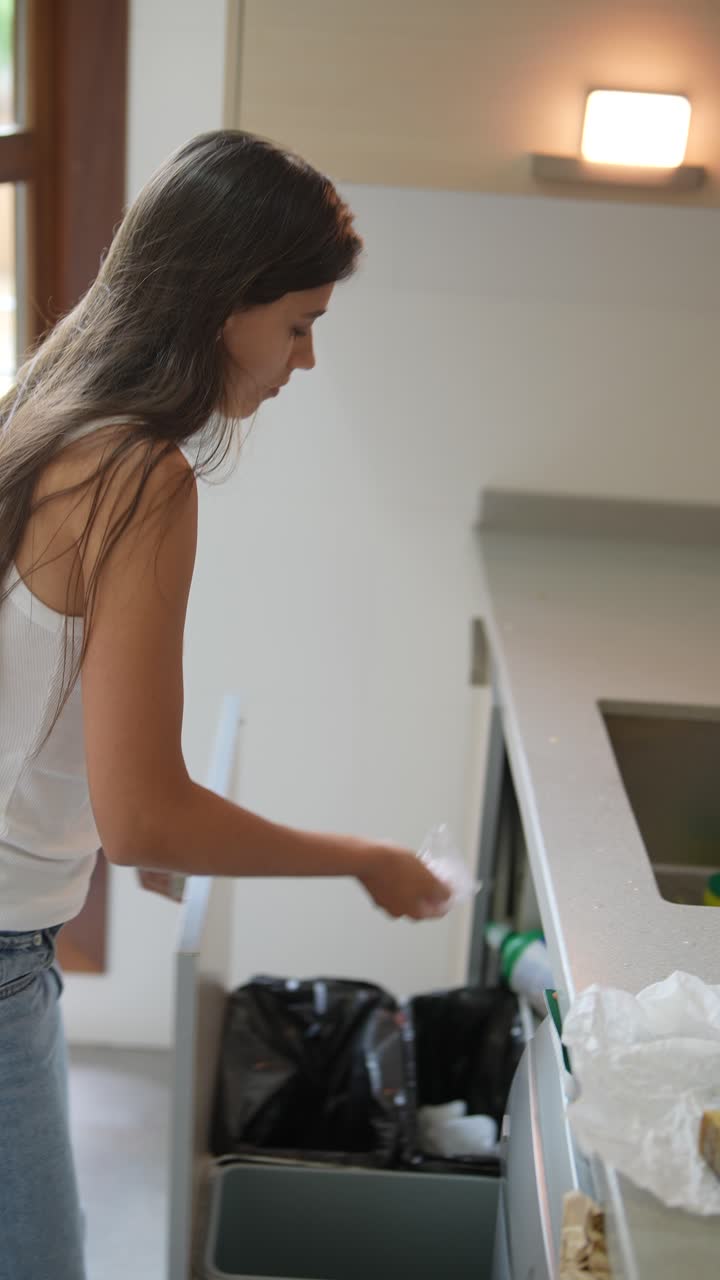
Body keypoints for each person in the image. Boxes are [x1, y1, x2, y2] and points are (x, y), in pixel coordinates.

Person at [0, 130, 451, 1280]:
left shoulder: (47, 402)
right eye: (298, 323)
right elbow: (149, 815)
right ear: (220, 303)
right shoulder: (142, 474)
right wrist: (363, 856)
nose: (303, 360)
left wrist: (121, 813)